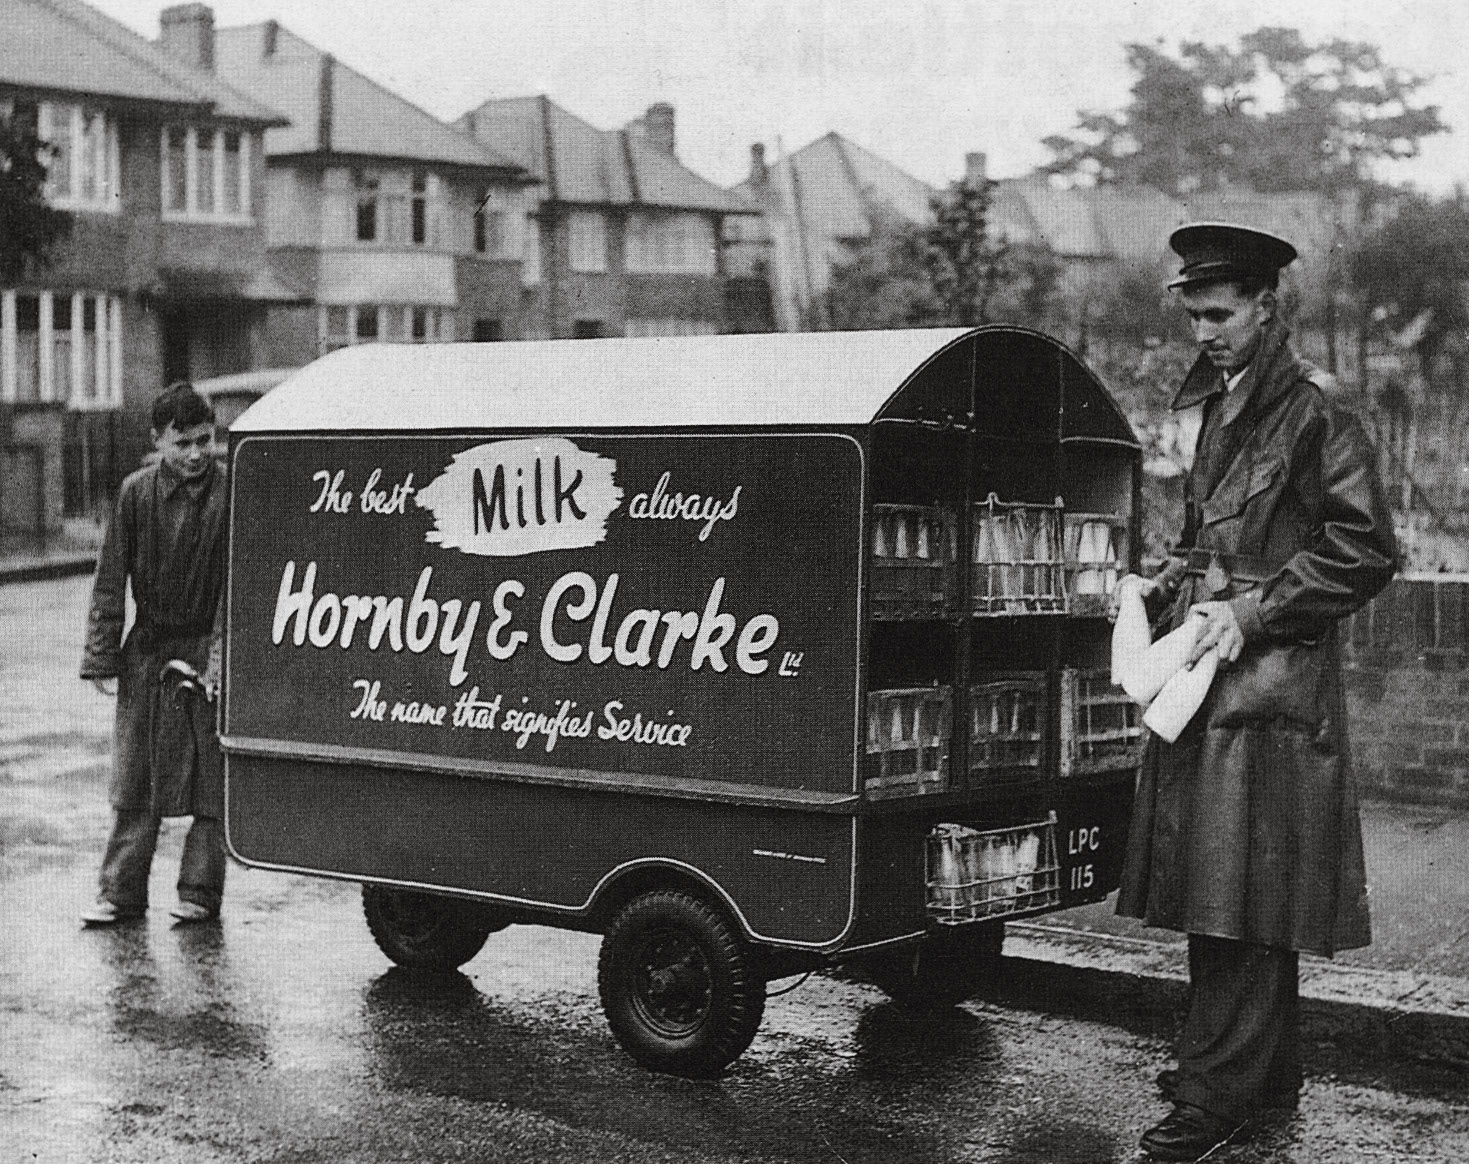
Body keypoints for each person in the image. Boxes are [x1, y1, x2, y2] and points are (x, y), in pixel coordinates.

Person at [1117, 223, 1397, 1160]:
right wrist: (1172, 575)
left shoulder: (1318, 407)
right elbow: (1214, 533)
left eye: (1219, 314)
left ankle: (1211, 1099)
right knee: (1228, 886)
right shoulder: (1222, 399)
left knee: (1235, 888)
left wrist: (1255, 610)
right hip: (1213, 675)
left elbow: (1364, 548)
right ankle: (1257, 1073)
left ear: (1267, 306)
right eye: (1193, 314)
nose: (1203, 331)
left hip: (1270, 680)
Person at [79, 382, 229, 927]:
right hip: (148, 652)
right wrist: (101, 656)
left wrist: (219, 659)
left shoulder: (232, 494)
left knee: (212, 780)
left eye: (204, 441)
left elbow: (240, 588)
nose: (195, 454)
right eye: (182, 442)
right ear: (158, 440)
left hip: (208, 646)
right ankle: (120, 893)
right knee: (135, 778)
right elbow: (109, 578)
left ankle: (200, 892)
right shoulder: (135, 494)